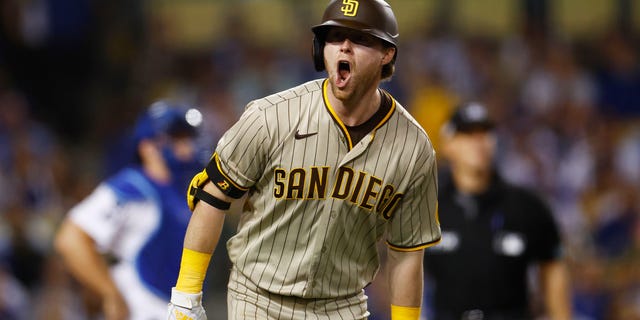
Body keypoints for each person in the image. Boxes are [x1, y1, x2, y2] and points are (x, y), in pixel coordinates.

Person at [167, 0, 441, 319]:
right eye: (335, 37)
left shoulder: (414, 146)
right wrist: (187, 292)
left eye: (360, 39)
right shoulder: (271, 116)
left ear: (387, 54)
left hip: (344, 305)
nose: (345, 48)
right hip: (258, 298)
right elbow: (212, 196)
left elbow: (407, 252)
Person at [54, 101, 204, 320]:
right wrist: (109, 292)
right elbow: (70, 239)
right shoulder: (134, 186)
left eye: (187, 138)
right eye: (176, 138)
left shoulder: (183, 192)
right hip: (141, 309)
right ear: (147, 147)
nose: (186, 147)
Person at [423, 102, 572, 320]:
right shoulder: (426, 208)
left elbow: (552, 268)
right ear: (448, 144)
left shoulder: (527, 206)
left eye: (485, 134)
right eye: (467, 135)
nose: (478, 143)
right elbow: (400, 268)